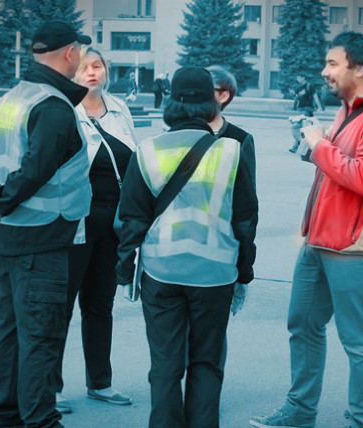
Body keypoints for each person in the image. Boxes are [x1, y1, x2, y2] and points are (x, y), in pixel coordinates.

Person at [250, 31, 363, 428]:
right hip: (319, 241)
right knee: (302, 325)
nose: (325, 72)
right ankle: (300, 411)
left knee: (359, 341)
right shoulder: (349, 111)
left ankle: (360, 422)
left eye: (333, 64)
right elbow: (340, 167)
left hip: (356, 248)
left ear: (359, 67)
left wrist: (320, 145)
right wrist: (311, 146)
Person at [115, 66, 258, 428]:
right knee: (207, 364)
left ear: (169, 101)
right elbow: (245, 220)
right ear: (212, 102)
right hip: (215, 271)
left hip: (161, 270)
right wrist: (244, 272)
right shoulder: (231, 150)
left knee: (164, 365)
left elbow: (131, 219)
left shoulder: (146, 150)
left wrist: (124, 271)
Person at [0, 20, 92, 428]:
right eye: (82, 52)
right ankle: (41, 420)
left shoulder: (12, 98)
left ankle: (5, 414)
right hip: (43, 238)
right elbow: (37, 169)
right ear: (71, 54)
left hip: (10, 236)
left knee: (10, 330)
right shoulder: (53, 106)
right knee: (40, 334)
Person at [54, 46, 136, 414]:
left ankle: (100, 382)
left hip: (113, 222)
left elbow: (133, 164)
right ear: (72, 73)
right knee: (62, 304)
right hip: (76, 220)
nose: (91, 72)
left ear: (106, 70)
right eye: (84, 67)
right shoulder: (63, 111)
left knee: (100, 305)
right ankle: (49, 386)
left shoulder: (119, 109)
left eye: (98, 65)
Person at [206, 65, 256, 184]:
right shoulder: (181, 132)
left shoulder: (241, 140)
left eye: (205, 89)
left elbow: (247, 196)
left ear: (223, 96)